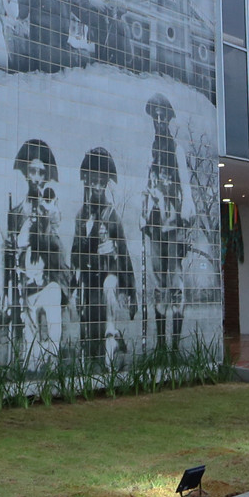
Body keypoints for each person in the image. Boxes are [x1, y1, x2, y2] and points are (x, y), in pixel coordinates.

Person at [141, 93, 196, 351]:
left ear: (169, 119)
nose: (159, 120)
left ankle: (174, 344)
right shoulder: (150, 151)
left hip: (173, 224)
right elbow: (145, 185)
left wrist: (185, 221)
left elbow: (185, 185)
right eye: (156, 116)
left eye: (163, 116)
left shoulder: (176, 149)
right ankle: (161, 344)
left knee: (174, 281)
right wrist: (144, 215)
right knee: (157, 281)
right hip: (154, 226)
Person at [7, 138, 67, 367]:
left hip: (49, 282)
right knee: (30, 347)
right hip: (27, 285)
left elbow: (55, 243)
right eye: (31, 171)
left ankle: (52, 373)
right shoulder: (17, 211)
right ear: (26, 174)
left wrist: (46, 215)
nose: (36, 176)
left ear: (45, 176)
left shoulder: (52, 208)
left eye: (40, 172)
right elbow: (14, 247)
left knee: (53, 334)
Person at [71, 148, 135, 363]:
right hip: (89, 278)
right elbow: (75, 254)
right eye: (94, 182)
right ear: (87, 182)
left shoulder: (111, 214)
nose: (97, 187)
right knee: (89, 328)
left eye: (102, 182)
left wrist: (130, 291)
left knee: (108, 289)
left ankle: (112, 335)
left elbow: (124, 253)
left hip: (109, 274)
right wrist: (71, 284)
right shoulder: (81, 215)